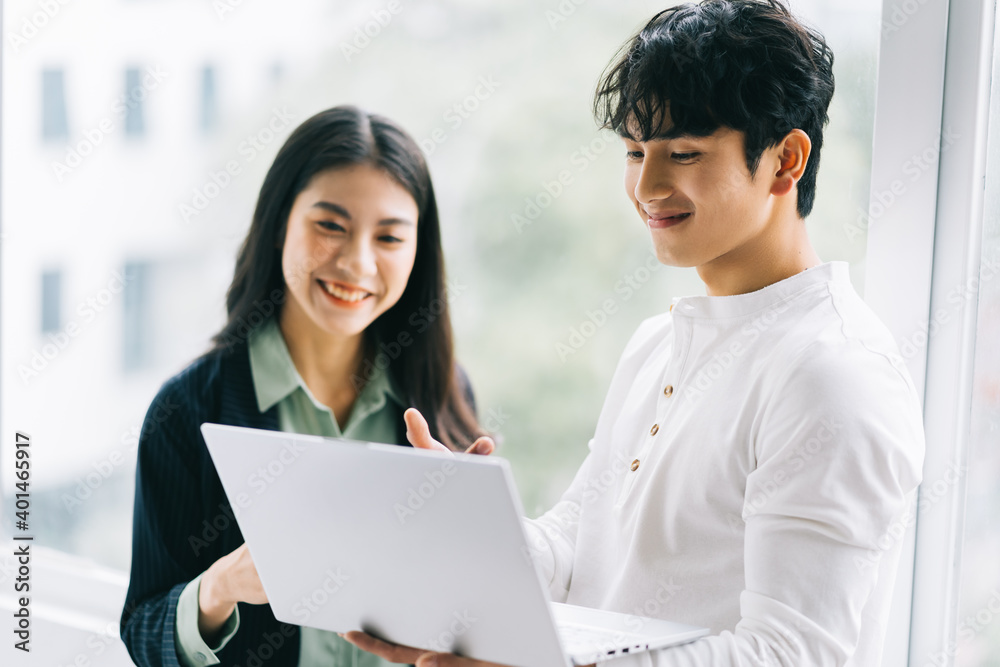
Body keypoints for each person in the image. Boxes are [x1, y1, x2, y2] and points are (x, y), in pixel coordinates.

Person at [344, 1, 926, 666]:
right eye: (633, 151)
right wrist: (472, 525)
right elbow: (576, 556)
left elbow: (788, 653)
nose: (647, 185)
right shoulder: (658, 342)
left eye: (683, 153)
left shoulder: (833, 374)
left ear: (787, 160)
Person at [119, 105, 494, 667]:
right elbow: (143, 632)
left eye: (390, 238)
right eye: (330, 226)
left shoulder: (442, 391)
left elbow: (465, 618)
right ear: (278, 226)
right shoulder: (188, 409)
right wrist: (218, 588)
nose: (357, 263)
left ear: (417, 253)